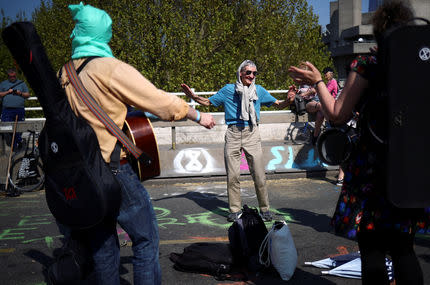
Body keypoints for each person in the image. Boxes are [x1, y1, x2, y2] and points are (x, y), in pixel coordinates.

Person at [57, 3, 215, 285]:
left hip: (84, 173)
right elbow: (159, 101)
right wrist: (197, 115)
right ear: (101, 33)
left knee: (104, 246)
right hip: (113, 169)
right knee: (145, 238)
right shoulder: (107, 68)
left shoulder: (65, 73)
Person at [288, 1, 430, 284]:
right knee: (404, 249)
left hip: (373, 170)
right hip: (413, 168)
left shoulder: (369, 64)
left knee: (373, 248)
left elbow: (337, 115)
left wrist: (319, 81)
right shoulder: (424, 64)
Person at [181, 60, 295, 222]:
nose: (252, 76)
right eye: (248, 72)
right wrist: (193, 97)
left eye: (254, 73)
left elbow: (278, 103)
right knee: (233, 176)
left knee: (259, 175)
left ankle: (265, 209)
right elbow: (209, 102)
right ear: (240, 73)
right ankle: (234, 210)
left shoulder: (259, 91)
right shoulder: (229, 90)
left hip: (252, 133)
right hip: (233, 133)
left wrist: (289, 100)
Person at [0, 68, 30, 151]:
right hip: (7, 110)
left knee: (19, 127)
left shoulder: (22, 83)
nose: (12, 78)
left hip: (19, 109)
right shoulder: (3, 84)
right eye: (11, 76)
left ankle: (16, 145)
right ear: (8, 76)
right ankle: (18, 141)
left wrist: (20, 93)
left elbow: (27, 95)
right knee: (6, 127)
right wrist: (8, 92)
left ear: (15, 75)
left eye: (14, 76)